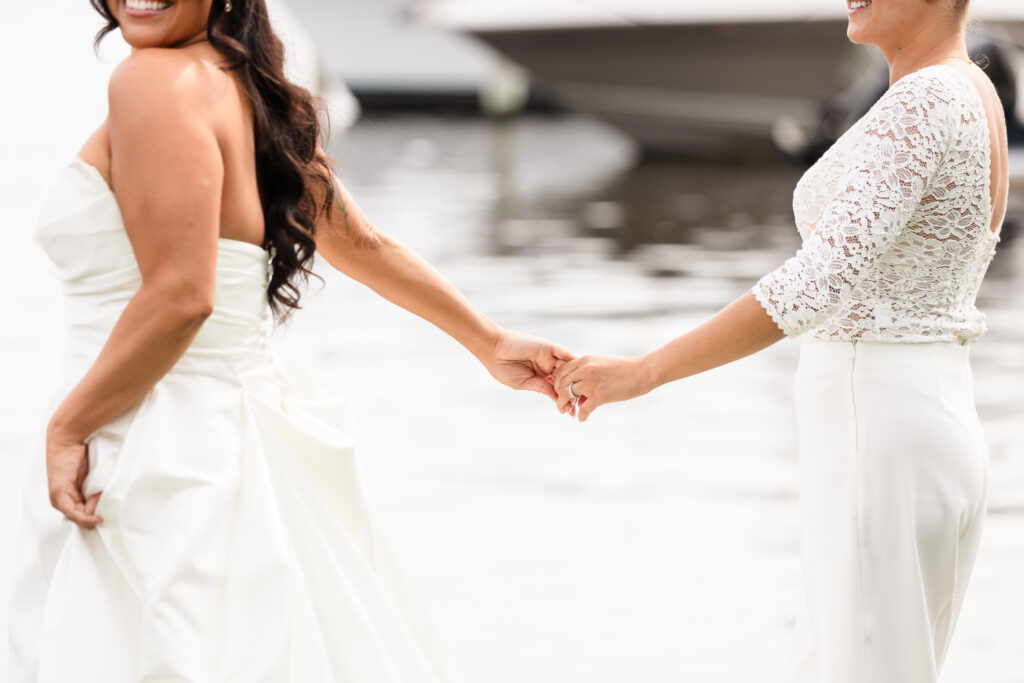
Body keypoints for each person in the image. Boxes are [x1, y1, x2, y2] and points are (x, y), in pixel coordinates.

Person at [7, 1, 572, 681]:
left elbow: (182, 296)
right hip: (237, 429)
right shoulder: (237, 81)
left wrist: (70, 425)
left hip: (151, 438)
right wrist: (489, 340)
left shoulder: (149, 80)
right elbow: (360, 242)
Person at [552, 0, 1007, 680]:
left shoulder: (926, 100)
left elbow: (812, 286)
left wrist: (642, 372)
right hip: (927, 417)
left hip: (880, 426)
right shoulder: (975, 90)